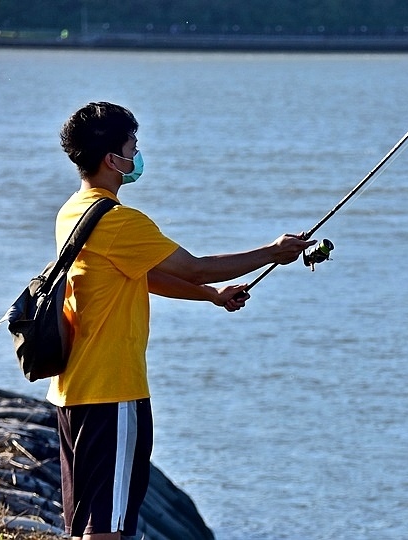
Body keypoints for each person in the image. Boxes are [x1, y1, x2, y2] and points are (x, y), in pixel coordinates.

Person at [49, 101, 315, 540]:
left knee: (85, 523)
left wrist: (210, 296)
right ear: (112, 159)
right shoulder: (120, 222)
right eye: (132, 146)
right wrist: (272, 252)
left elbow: (148, 275)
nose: (138, 155)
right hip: (112, 390)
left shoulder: (73, 212)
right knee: (107, 526)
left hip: (71, 389)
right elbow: (192, 266)